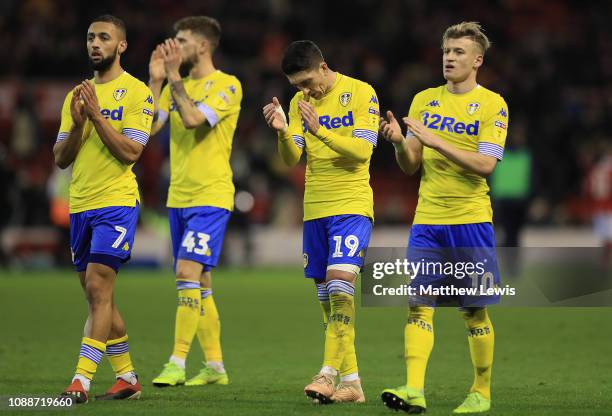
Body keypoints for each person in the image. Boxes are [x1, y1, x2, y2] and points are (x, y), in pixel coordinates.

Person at [379, 22, 509, 414]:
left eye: (458, 52)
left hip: (470, 220)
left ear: (477, 60)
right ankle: (414, 389)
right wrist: (402, 143)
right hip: (428, 220)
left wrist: (438, 140)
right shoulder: (424, 100)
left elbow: (486, 164)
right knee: (419, 304)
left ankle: (481, 392)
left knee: (472, 310)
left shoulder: (492, 105)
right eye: (446, 51)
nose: (449, 58)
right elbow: (410, 165)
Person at [262, 40, 380, 404]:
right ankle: (353, 384)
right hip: (315, 209)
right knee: (329, 301)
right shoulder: (300, 104)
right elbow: (290, 158)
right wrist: (284, 132)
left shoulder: (361, 93)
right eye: (297, 85)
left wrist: (321, 132)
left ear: (324, 67)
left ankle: (327, 373)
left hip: (351, 204)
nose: (305, 91)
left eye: (308, 81)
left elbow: (362, 151)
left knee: (341, 287)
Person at [55, 14, 154, 403]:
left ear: (121, 46)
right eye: (91, 37)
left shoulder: (137, 93)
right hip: (80, 203)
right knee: (99, 297)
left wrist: (97, 116)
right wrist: (80, 123)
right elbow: (61, 157)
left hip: (116, 202)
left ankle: (80, 382)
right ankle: (127, 377)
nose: (95, 43)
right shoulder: (75, 95)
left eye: (104, 38)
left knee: (98, 286)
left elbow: (132, 151)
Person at [149, 16, 242, 387]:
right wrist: (156, 80)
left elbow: (190, 119)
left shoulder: (227, 86)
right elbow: (150, 128)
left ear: (203, 46)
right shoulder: (177, 85)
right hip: (179, 197)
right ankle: (216, 367)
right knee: (200, 281)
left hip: (211, 195)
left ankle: (177, 362)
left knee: (185, 272)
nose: (175, 46)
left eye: (182, 40)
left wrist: (172, 78)